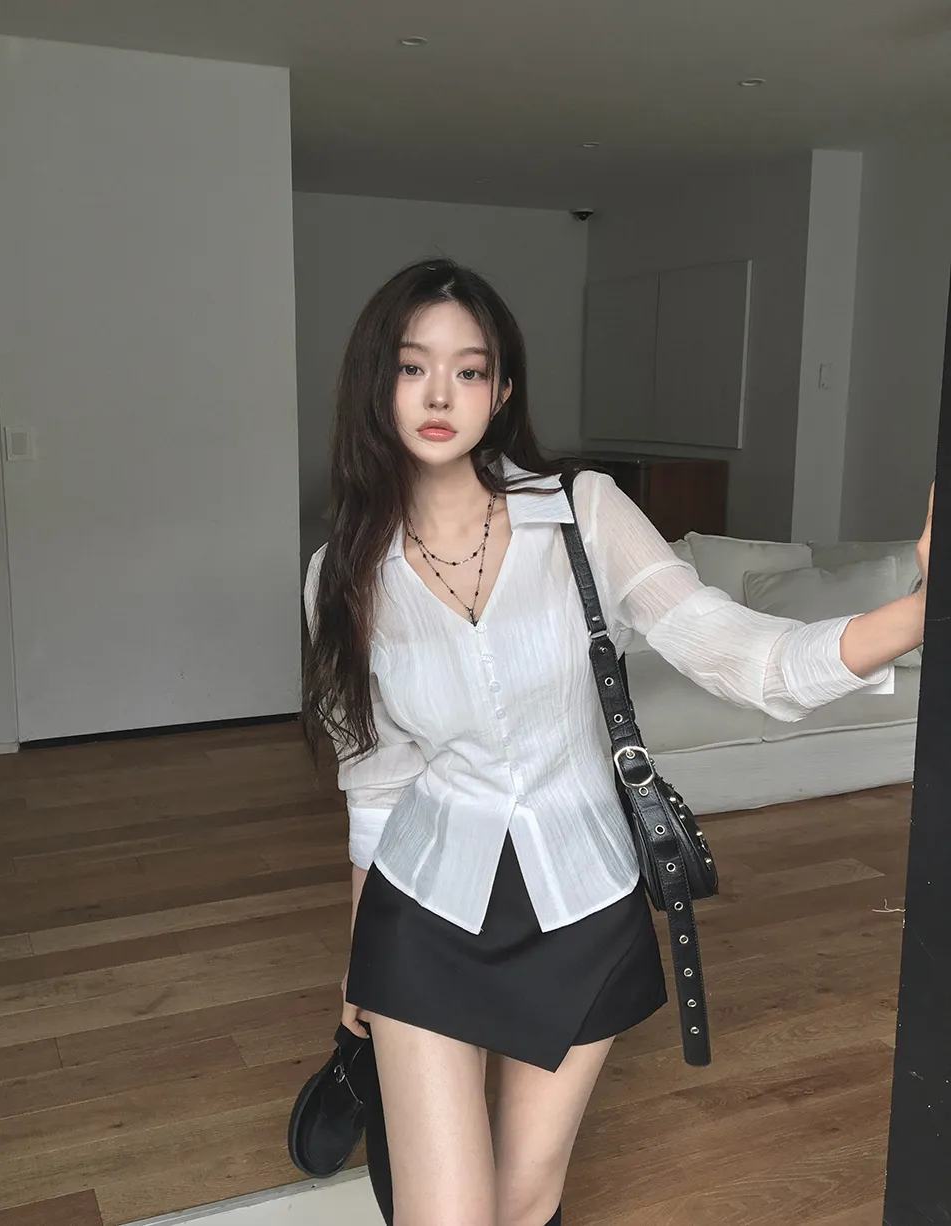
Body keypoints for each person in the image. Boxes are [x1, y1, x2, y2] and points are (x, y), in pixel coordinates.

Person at [302, 259, 932, 1226]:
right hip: (422, 907)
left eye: (469, 370)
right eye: (411, 367)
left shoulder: (583, 513)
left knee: (521, 1205)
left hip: (580, 903)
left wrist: (917, 611)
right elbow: (378, 783)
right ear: (373, 384)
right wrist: (358, 962)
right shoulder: (341, 574)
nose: (438, 396)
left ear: (502, 391)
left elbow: (746, 658)